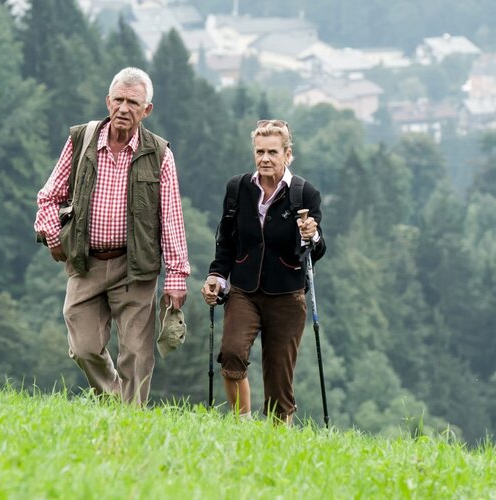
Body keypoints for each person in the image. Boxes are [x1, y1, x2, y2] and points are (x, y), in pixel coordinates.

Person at [34, 67, 190, 405]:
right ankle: (115, 401)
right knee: (83, 347)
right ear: (108, 101)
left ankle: (130, 421)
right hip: (86, 262)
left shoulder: (160, 154)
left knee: (136, 354)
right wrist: (53, 235)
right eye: (118, 100)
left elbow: (171, 218)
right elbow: (48, 196)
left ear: (147, 110)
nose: (123, 108)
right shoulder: (81, 140)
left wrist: (177, 276)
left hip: (134, 267)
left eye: (133, 103)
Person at [201, 120, 326, 423]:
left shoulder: (304, 194)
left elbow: (316, 251)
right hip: (244, 290)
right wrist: (217, 276)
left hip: (287, 295)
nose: (265, 158)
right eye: (260, 152)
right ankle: (242, 426)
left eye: (272, 152)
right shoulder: (238, 189)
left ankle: (276, 439)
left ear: (287, 154)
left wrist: (312, 235)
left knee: (279, 381)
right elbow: (226, 241)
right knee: (231, 354)